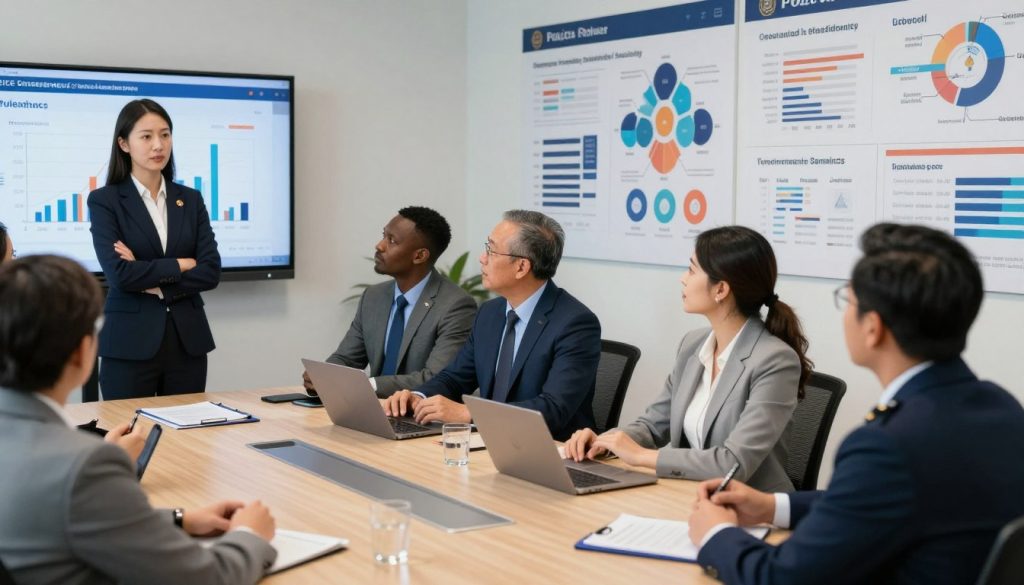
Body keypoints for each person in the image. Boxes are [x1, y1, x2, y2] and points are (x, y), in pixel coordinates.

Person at [689, 223, 1024, 585]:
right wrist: (772, 506)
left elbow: (782, 578)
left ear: (873, 328)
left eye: (848, 299)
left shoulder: (888, 446)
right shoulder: (1001, 408)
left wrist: (715, 534)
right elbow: (878, 500)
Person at [0, 254, 276, 584]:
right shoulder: (84, 464)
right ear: (81, 351)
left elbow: (51, 517)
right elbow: (205, 578)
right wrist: (250, 535)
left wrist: (178, 519)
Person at [565, 225, 811, 491]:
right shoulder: (693, 344)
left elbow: (734, 463)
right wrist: (605, 442)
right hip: (688, 496)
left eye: (692, 270)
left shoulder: (775, 361)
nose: (683, 279)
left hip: (751, 508)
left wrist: (640, 456)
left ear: (721, 290)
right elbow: (653, 425)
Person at [383, 210, 600, 441]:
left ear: (521, 267)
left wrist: (470, 413)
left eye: (491, 250)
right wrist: (417, 396)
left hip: (548, 450)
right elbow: (455, 377)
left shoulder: (575, 324)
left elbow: (553, 408)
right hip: (488, 442)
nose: (482, 258)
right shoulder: (490, 313)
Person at [88, 99, 221, 399]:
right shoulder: (105, 201)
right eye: (146, 136)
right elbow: (121, 275)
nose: (158, 145)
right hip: (129, 343)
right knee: (126, 437)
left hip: (187, 341)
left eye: (165, 134)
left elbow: (210, 272)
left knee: (186, 441)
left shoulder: (190, 199)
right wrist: (180, 265)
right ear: (124, 143)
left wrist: (150, 278)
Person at [301, 207, 476, 398]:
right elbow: (347, 358)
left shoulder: (455, 305)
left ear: (419, 256)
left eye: (392, 240)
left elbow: (436, 377)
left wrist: (367, 384)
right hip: (371, 410)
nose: (379, 246)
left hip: (421, 416)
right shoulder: (373, 297)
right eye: (383, 236)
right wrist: (325, 376)